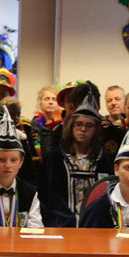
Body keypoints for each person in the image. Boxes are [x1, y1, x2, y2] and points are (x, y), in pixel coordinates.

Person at [39, 83, 114, 227]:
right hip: (61, 225)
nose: (83, 129)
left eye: (89, 125)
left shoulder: (104, 161)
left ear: (96, 129)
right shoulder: (55, 159)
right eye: (79, 124)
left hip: (95, 227)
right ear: (71, 126)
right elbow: (46, 197)